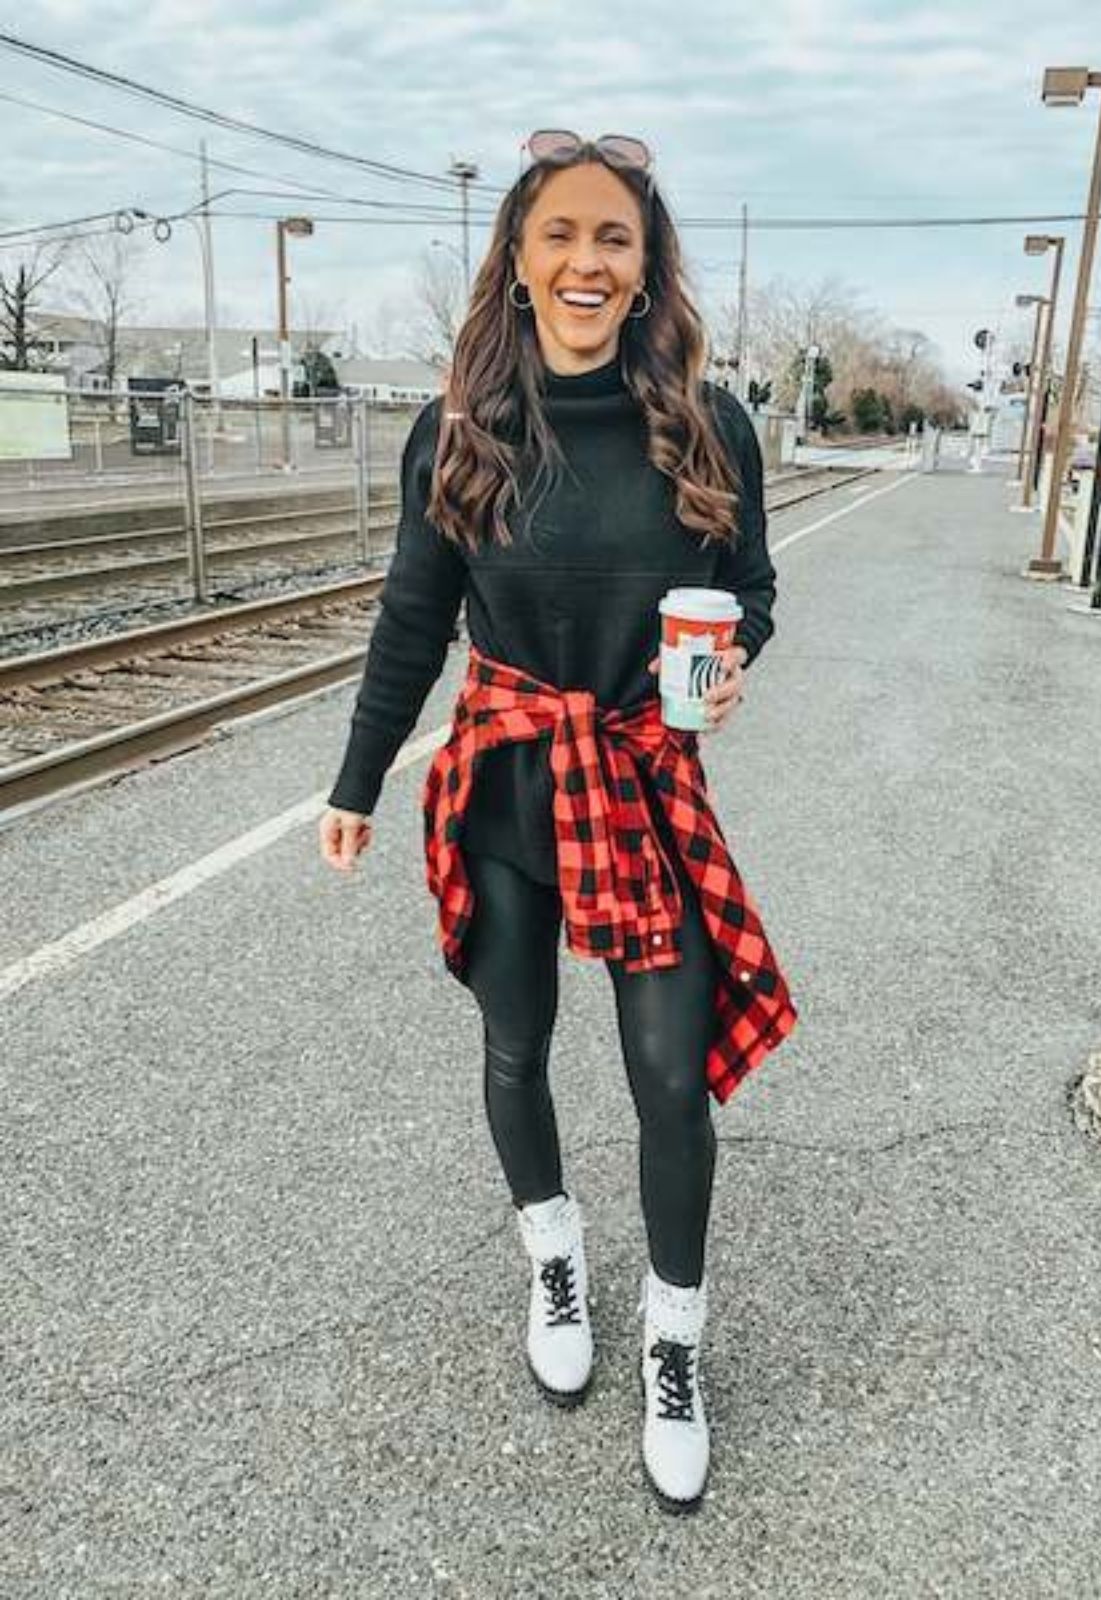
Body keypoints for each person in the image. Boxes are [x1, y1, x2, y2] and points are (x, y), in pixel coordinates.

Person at [318, 130, 797, 1515]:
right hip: (508, 779)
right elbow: (413, 619)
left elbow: (750, 586)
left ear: (648, 272)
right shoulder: (461, 428)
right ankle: (553, 1257)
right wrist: (355, 784)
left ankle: (674, 1340)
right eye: (562, 237)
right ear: (519, 263)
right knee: (517, 1044)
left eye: (617, 240)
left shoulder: (715, 427)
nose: (589, 262)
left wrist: (730, 652)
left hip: (645, 777)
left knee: (668, 1074)